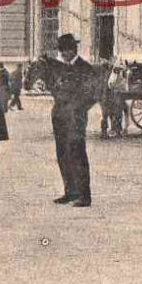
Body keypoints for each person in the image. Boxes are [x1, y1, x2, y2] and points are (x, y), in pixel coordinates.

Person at [48, 34, 98, 207]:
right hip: (59, 117)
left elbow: (92, 95)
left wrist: (77, 109)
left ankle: (84, 195)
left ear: (72, 50)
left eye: (64, 51)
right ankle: (70, 191)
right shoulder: (60, 68)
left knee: (77, 154)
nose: (62, 54)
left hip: (75, 118)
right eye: (60, 51)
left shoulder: (85, 68)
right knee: (62, 153)